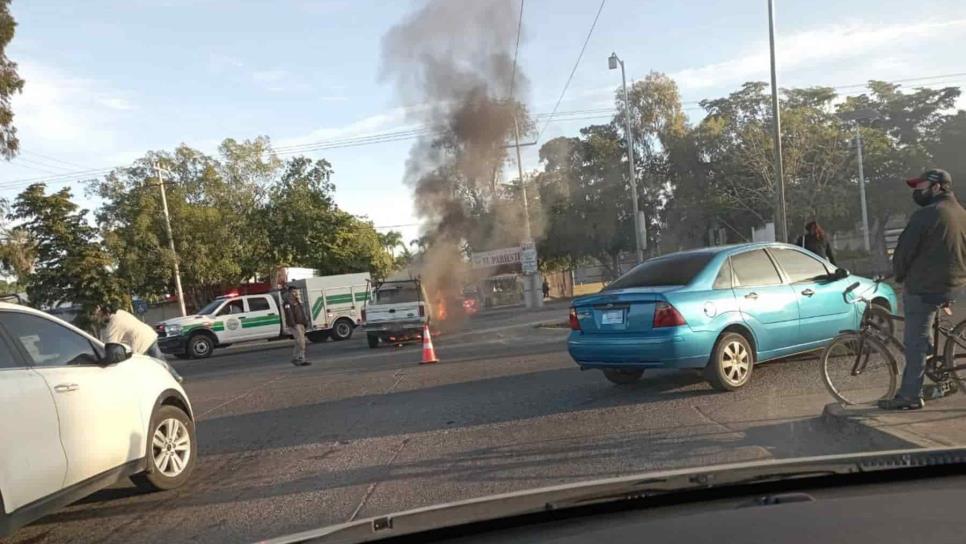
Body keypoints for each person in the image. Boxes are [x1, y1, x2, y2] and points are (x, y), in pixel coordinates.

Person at [879, 169, 966, 410]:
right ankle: (937, 371)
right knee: (925, 330)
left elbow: (904, 252)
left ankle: (909, 395)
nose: (917, 191)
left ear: (937, 187)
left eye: (921, 186)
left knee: (914, 340)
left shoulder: (926, 215)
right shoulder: (961, 213)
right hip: (954, 285)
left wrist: (898, 275)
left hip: (925, 287)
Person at [97, 306, 165, 359]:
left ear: (107, 314)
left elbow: (110, 346)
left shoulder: (112, 324)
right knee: (162, 363)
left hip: (141, 344)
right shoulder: (120, 312)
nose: (100, 319)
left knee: (147, 367)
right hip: (149, 335)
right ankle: (173, 376)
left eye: (101, 316)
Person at [282, 285, 310, 367]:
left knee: (300, 342)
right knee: (301, 342)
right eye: (295, 291)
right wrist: (293, 324)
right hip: (295, 324)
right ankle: (298, 358)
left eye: (297, 291)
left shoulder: (297, 301)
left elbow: (302, 312)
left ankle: (299, 359)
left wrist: (305, 322)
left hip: (301, 323)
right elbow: (289, 314)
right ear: (291, 292)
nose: (296, 293)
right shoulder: (288, 302)